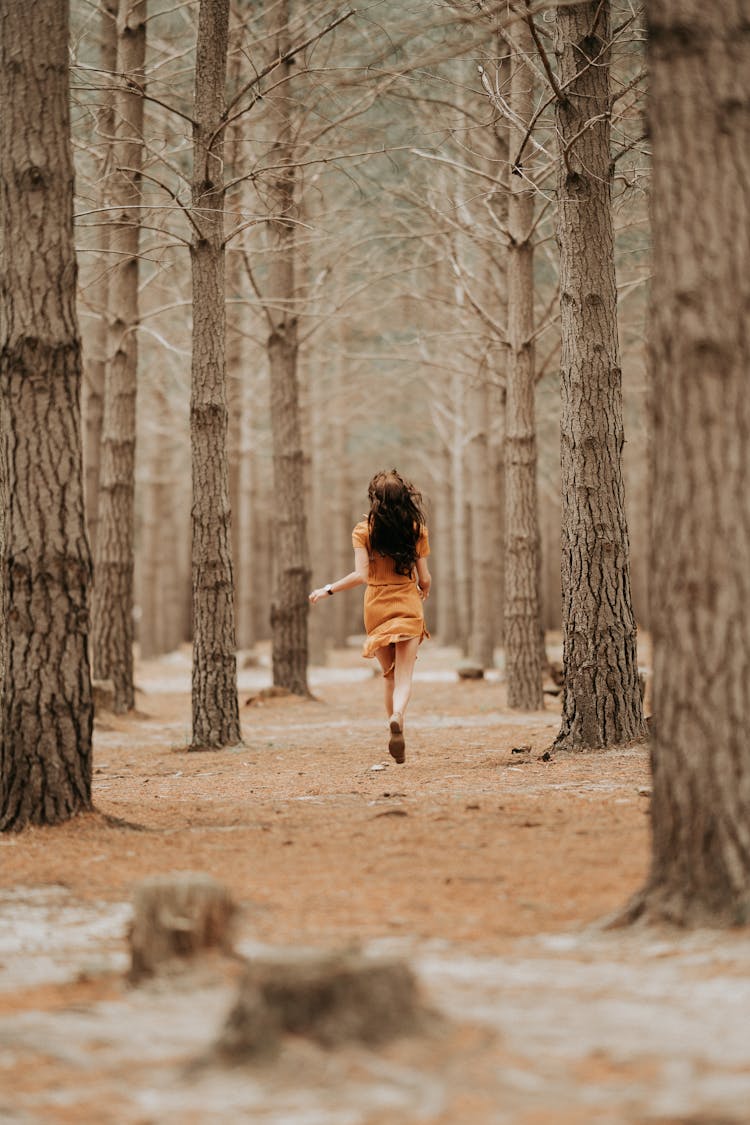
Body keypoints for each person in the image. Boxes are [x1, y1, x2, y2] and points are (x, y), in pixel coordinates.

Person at [309, 469, 431, 764]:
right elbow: (425, 577)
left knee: (388, 676)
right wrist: (422, 588)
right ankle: (398, 716)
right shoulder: (416, 529)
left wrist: (328, 589)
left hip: (376, 605)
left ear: (374, 500)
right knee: (404, 677)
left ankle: (391, 720)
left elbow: (362, 575)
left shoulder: (363, 531)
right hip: (407, 603)